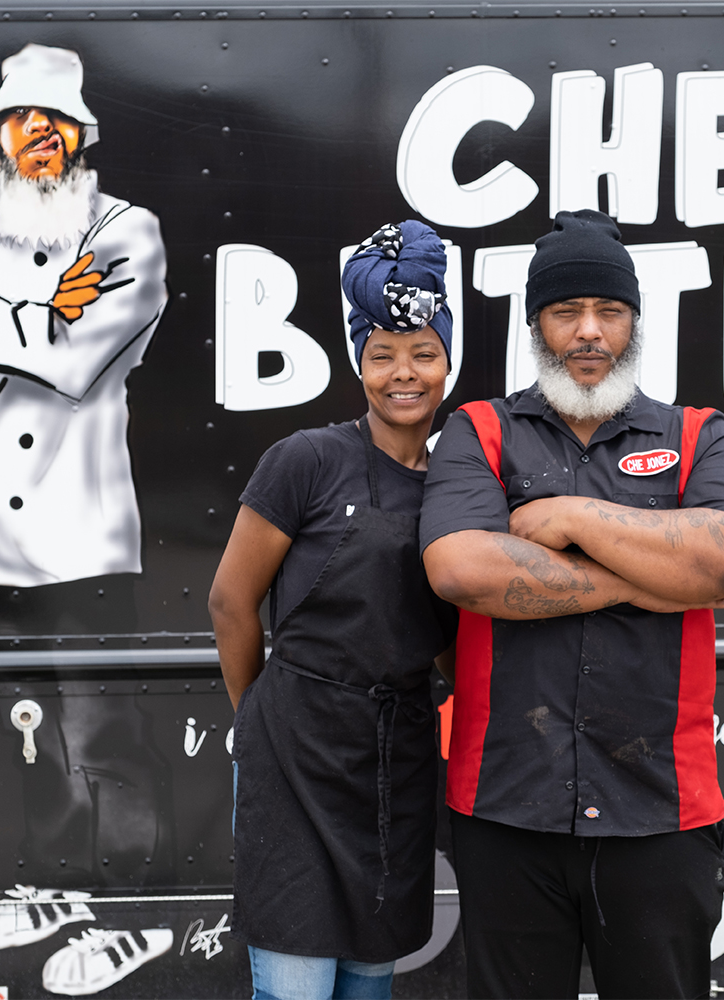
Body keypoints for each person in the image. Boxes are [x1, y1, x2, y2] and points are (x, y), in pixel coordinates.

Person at [420, 209, 724, 1000]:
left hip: (661, 812)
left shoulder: (699, 434)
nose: (588, 332)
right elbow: (461, 570)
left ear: (633, 322)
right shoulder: (479, 431)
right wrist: (652, 579)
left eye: (609, 312)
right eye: (566, 312)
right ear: (535, 324)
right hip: (507, 811)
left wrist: (572, 520)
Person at [209, 220, 457, 1000]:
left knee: (367, 985)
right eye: (381, 356)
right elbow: (230, 600)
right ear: (359, 363)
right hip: (295, 753)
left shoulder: (462, 484)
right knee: (296, 987)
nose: (403, 375)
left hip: (398, 761)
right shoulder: (307, 460)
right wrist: (263, 721)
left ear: (448, 359)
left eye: (422, 353)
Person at [0, 42, 168, 587]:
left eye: (56, 117)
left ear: (82, 133)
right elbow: (53, 337)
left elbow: (71, 362)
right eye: (20, 118)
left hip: (76, 541)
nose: (39, 130)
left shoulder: (127, 231)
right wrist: (47, 315)